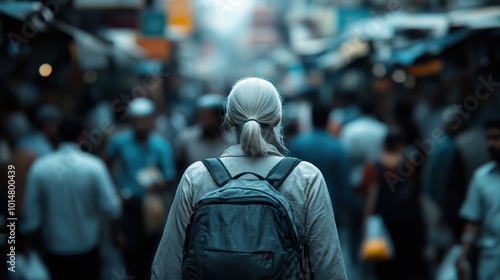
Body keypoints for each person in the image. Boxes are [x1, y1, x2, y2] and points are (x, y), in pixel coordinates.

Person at [152, 77, 347, 279]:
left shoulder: (197, 176)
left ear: (228, 119)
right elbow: (329, 268)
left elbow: (167, 266)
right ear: (278, 118)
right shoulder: (306, 177)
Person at [21, 117, 122, 280]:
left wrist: (27, 245)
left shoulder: (40, 167)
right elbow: (112, 207)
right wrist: (116, 234)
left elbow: (30, 215)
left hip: (54, 246)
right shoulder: (94, 166)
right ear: (83, 137)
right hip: (88, 244)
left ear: (57, 136)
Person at [105, 97, 176, 280]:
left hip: (152, 204)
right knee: (130, 248)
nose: (141, 124)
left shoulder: (161, 145)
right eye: (136, 119)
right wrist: (114, 189)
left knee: (151, 248)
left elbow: (169, 175)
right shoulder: (119, 142)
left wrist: (157, 185)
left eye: (145, 119)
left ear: (152, 120)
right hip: (129, 201)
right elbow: (106, 162)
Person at [361, 128, 428, 280]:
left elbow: (371, 199)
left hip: (385, 224)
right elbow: (415, 192)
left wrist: (365, 224)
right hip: (408, 224)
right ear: (401, 146)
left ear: (384, 144)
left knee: (384, 267)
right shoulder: (410, 164)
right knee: (405, 266)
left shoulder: (374, 166)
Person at [456, 118, 500, 280]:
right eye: (488, 139)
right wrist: (463, 256)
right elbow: (472, 221)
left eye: (496, 138)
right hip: (490, 260)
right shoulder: (481, 178)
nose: (491, 144)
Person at [289, 103, 349, 218]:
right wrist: (343, 205)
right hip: (330, 204)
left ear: (311, 118)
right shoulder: (337, 146)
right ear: (328, 120)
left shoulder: (298, 143)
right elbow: (342, 178)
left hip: (301, 203)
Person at [175, 93, 234, 173]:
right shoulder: (186, 140)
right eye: (201, 117)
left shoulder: (233, 142)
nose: (204, 123)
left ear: (220, 118)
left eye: (208, 118)